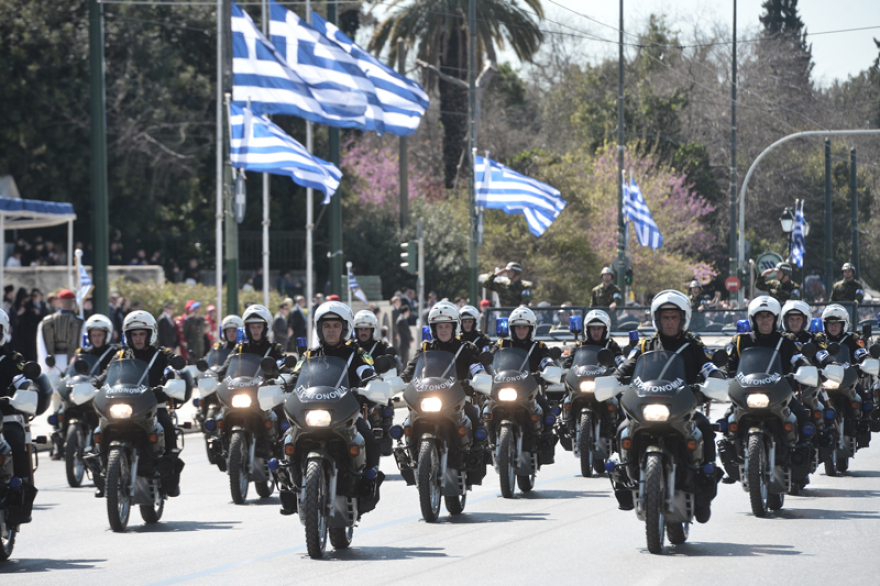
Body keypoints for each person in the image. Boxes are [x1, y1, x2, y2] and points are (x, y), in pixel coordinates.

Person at [613, 290, 723, 523]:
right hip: (647, 405)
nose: (670, 322)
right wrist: (615, 377)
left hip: (683, 408)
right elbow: (628, 365)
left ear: (683, 319)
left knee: (704, 427)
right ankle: (623, 476)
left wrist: (714, 375)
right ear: (657, 319)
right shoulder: (646, 344)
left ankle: (706, 483)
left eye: (674, 317)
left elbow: (707, 365)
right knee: (622, 428)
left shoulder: (693, 344)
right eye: (665, 317)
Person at [285, 301, 382, 513]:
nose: (331, 330)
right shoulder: (310, 356)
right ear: (319, 329)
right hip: (311, 412)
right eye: (326, 326)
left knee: (368, 436)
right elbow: (295, 376)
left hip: (345, 413)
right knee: (287, 437)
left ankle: (368, 479)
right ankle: (288, 485)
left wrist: (372, 380)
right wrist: (281, 384)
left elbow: (366, 371)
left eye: (336, 326)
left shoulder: (355, 354)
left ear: (345, 328)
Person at [717, 296, 813, 480]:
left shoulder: (785, 341)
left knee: (803, 418)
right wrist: (721, 374)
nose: (764, 320)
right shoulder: (740, 341)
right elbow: (728, 364)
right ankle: (734, 461)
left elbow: (797, 358)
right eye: (760, 317)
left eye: (768, 317)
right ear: (753, 319)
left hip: (779, 393)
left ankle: (801, 461)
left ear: (775, 319)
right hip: (746, 392)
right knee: (727, 421)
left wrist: (805, 368)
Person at [95, 311, 185, 497]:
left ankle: (170, 476)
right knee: (99, 429)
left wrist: (170, 383)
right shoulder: (121, 355)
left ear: (150, 334)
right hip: (124, 404)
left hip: (153, 406)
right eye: (134, 334)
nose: (138, 338)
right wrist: (94, 383)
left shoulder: (161, 354)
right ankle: (102, 470)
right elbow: (106, 374)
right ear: (128, 336)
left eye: (142, 334)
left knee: (167, 426)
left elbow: (173, 371)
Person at [402, 303, 486, 437]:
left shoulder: (466, 348)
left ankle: (479, 448)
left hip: (458, 397)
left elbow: (476, 367)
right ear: (433, 328)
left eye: (447, 326)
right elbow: (412, 366)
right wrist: (402, 378)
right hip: (428, 395)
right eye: (440, 326)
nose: (443, 330)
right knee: (409, 421)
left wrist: (480, 376)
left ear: (454, 327)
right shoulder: (426, 348)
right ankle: (409, 447)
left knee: (474, 419)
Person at [0, 308, 38, 523]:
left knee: (15, 441)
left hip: (6, 417)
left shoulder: (11, 358)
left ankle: (20, 490)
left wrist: (27, 389)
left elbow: (22, 380)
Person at [491, 306, 558, 426]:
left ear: (531, 328)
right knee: (487, 407)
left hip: (529, 387)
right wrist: (484, 368)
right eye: (518, 327)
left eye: (525, 327)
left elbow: (545, 359)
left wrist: (549, 366)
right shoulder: (502, 344)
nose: (521, 330)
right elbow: (490, 359)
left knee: (545, 407)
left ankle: (547, 433)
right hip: (503, 385)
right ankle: (486, 433)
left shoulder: (538, 346)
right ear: (512, 328)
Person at [821, 304, 873, 445]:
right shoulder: (821, 340)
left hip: (848, 378)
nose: (833, 327)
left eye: (837, 323)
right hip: (827, 379)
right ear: (825, 325)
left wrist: (864, 358)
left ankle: (864, 424)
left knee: (865, 397)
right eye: (830, 323)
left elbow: (859, 351)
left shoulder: (852, 339)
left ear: (844, 324)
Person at [217, 305, 286, 379]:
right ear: (247, 329)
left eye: (259, 327)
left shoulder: (275, 349)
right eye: (252, 327)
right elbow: (226, 366)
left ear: (266, 328)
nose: (256, 330)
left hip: (268, 386)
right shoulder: (240, 348)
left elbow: (285, 368)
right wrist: (218, 375)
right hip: (242, 385)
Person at [36, 289, 83, 373]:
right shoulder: (80, 322)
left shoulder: (46, 322)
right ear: (72, 303)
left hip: (52, 364)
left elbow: (41, 346)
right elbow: (83, 344)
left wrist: (45, 368)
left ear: (58, 302)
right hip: (73, 363)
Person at [182, 300, 205, 365]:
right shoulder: (188, 320)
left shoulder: (202, 319)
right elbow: (185, 333)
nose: (198, 310)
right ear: (193, 310)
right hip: (192, 345)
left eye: (199, 308)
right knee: (192, 361)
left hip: (200, 345)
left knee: (200, 362)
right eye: (196, 308)